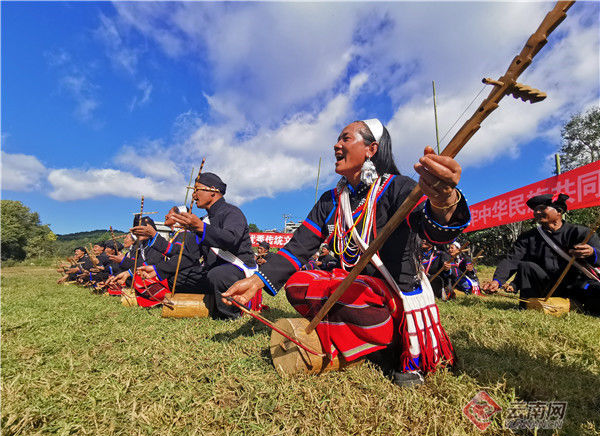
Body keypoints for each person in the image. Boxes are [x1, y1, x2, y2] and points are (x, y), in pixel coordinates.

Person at [224, 119, 470, 386]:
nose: (336, 145)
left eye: (345, 138)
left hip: (389, 295)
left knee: (358, 297)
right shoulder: (331, 199)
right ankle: (369, 339)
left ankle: (387, 340)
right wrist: (256, 280)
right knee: (298, 284)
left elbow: (434, 231)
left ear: (371, 149)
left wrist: (444, 200)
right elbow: (298, 247)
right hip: (350, 289)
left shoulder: (400, 188)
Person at [161, 172, 259, 319]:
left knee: (217, 275)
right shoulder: (203, 220)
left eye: (197, 190)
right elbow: (189, 256)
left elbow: (231, 239)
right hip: (212, 272)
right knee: (179, 278)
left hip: (238, 271)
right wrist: (158, 269)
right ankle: (213, 301)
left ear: (213, 190)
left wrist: (201, 228)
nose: (194, 196)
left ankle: (232, 313)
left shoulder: (232, 212)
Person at [482, 193, 600, 313]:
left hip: (576, 284)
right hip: (547, 285)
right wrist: (497, 281)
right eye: (535, 210)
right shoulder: (528, 237)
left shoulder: (581, 233)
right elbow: (512, 259)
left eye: (542, 208)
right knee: (526, 266)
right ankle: (527, 308)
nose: (537, 212)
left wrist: (592, 253)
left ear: (559, 211)